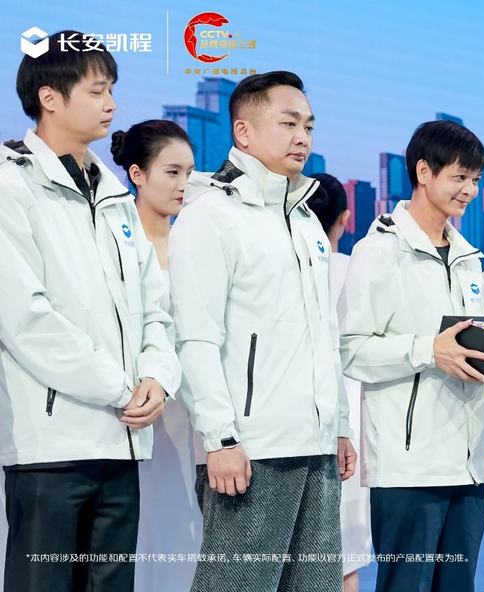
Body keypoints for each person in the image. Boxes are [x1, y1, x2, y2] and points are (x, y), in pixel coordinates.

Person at [0, 30, 180, 591]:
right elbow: (25, 318)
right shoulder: (11, 183)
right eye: (98, 90)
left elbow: (155, 307)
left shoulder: (116, 196)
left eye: (112, 90)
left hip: (122, 443)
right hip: (51, 448)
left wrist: (158, 378)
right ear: (50, 97)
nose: (112, 104)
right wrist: (120, 387)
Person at [168, 71, 355, 592]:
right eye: (289, 123)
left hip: (315, 447)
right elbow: (195, 338)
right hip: (251, 450)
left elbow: (324, 335)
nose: (303, 137)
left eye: (309, 126)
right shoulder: (211, 215)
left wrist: (338, 424)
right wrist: (220, 438)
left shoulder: (306, 222)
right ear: (244, 132)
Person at [338, 120, 484, 592]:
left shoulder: (469, 259)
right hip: (408, 469)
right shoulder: (379, 251)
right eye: (459, 177)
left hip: (469, 466)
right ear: (424, 172)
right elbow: (350, 349)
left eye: (476, 179)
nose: (470, 190)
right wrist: (427, 349)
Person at [110, 119, 202, 591]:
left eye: (189, 173)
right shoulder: (115, 243)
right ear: (137, 174)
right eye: (172, 172)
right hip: (130, 408)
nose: (184, 184)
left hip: (190, 417)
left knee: (183, 532)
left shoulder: (198, 245)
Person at [306, 172, 372, 592]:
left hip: (297, 426)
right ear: (345, 219)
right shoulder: (355, 270)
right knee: (346, 559)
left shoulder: (286, 271)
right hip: (353, 426)